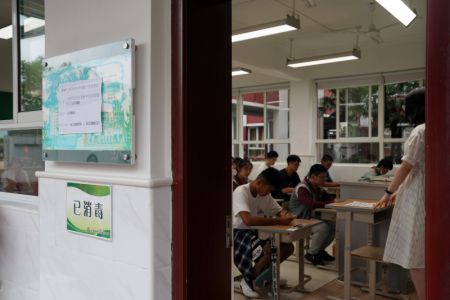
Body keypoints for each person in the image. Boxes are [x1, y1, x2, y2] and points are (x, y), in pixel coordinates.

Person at [375, 88, 425, 300]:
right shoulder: (437, 127)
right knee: (424, 253)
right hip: (426, 193)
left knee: (415, 256)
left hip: (418, 198)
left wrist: (388, 192)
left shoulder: (420, 131)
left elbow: (407, 166)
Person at [233, 167, 295, 298]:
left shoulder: (265, 194)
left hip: (256, 231)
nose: (268, 193)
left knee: (287, 247)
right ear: (259, 182)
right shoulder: (241, 191)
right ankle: (247, 280)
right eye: (269, 189)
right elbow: (248, 220)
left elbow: (278, 210)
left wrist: (286, 215)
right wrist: (279, 221)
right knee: (268, 249)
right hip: (239, 233)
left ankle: (266, 276)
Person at [289, 164, 335, 266]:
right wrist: (329, 203)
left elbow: (329, 198)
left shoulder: (317, 187)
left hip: (309, 217)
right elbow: (311, 204)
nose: (324, 179)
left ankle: (320, 250)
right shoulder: (302, 188)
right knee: (323, 228)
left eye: (325, 177)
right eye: (322, 177)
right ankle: (311, 253)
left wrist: (332, 202)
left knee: (333, 225)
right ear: (313, 177)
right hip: (299, 219)